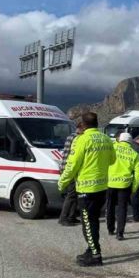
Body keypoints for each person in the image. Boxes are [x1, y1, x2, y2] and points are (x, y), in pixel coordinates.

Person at [58, 112, 115, 267]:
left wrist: (62, 182)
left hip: (86, 189)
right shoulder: (106, 139)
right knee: (94, 220)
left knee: (88, 224)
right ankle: (91, 249)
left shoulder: (81, 140)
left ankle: (95, 255)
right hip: (102, 187)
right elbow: (112, 160)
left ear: (83, 125)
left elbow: (72, 165)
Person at [106, 132, 139, 241]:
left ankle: (110, 228)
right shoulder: (134, 153)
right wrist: (134, 188)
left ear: (119, 140)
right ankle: (120, 233)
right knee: (122, 209)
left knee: (110, 206)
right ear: (130, 142)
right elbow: (138, 172)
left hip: (110, 183)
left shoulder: (112, 148)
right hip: (125, 185)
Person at [58, 122, 84, 226]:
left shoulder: (71, 137)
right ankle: (63, 218)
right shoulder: (76, 138)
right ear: (80, 128)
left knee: (74, 195)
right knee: (71, 195)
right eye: (84, 129)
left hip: (67, 168)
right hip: (70, 169)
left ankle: (71, 216)